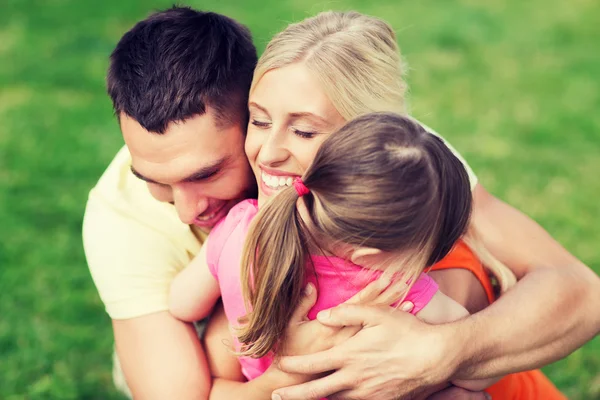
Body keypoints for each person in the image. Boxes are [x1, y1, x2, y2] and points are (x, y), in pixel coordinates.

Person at [81, 6, 598, 400]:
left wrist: (439, 352)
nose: (185, 209)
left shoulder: (397, 161)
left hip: (411, 337)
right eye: (154, 180)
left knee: (460, 280)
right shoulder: (125, 221)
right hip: (250, 363)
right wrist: (292, 369)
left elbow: (579, 292)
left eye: (207, 173)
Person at [170, 112, 509, 399]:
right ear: (369, 255)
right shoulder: (392, 288)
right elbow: (476, 368)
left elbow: (182, 303)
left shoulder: (239, 225)